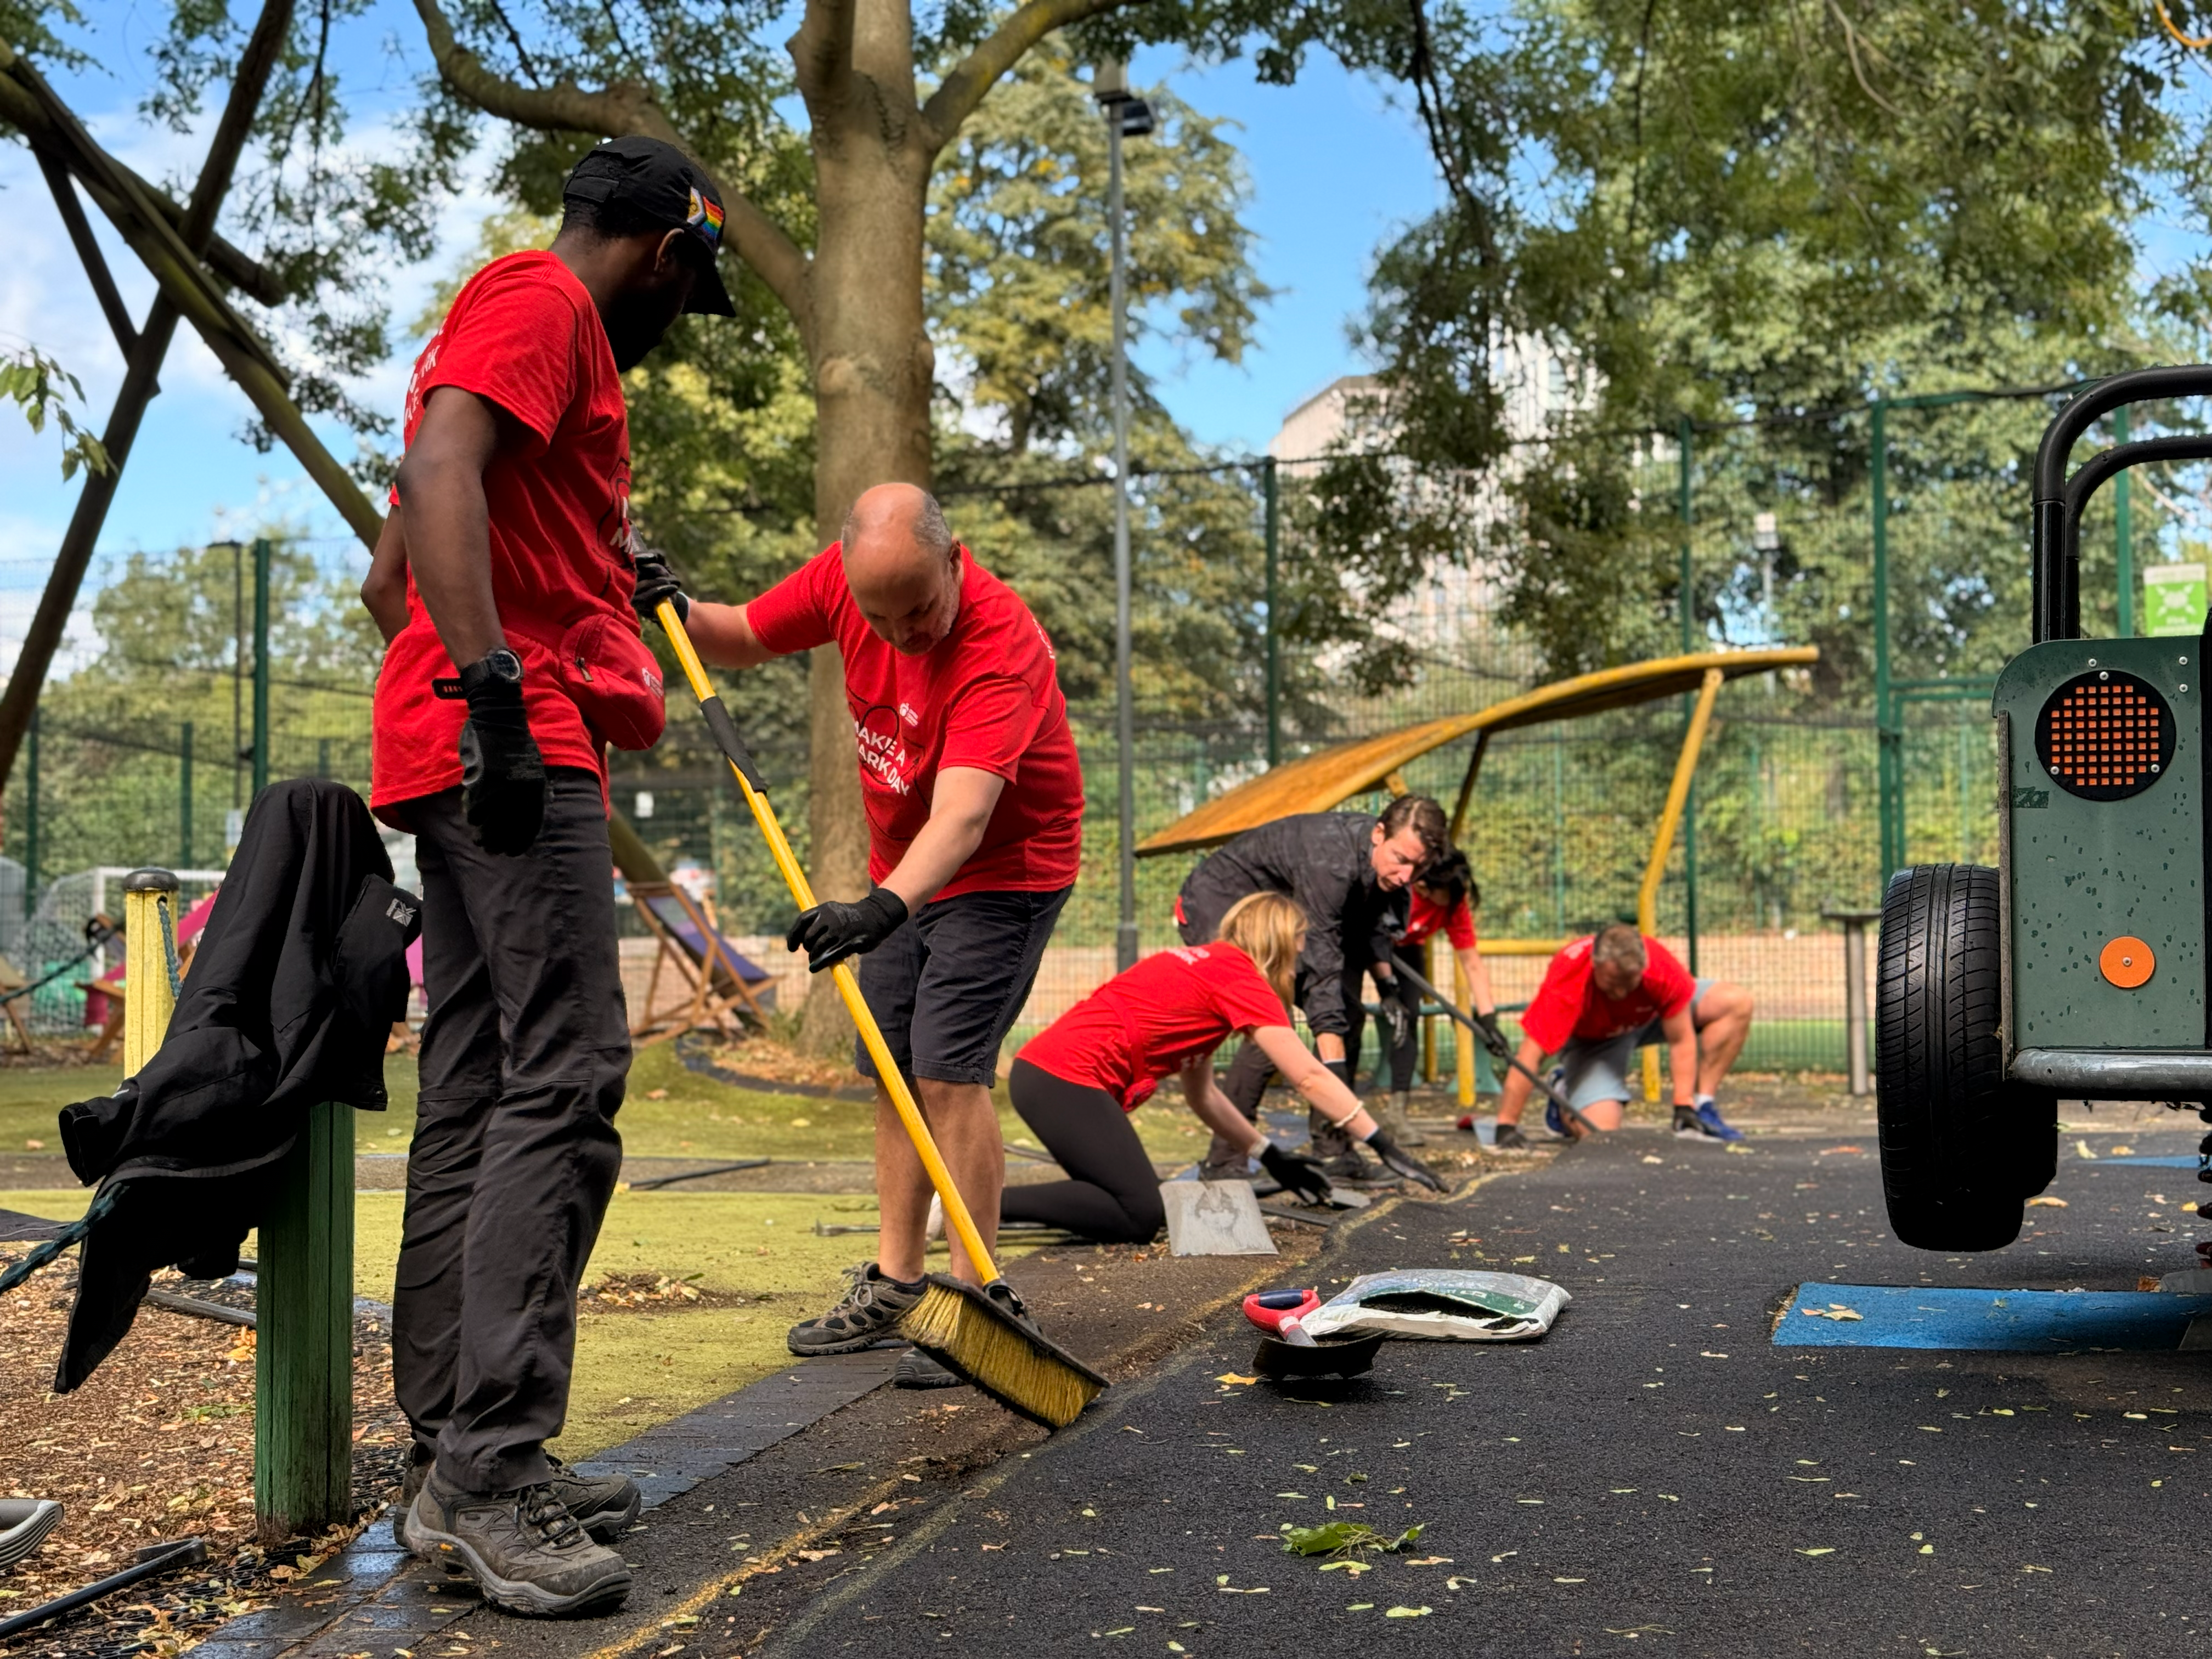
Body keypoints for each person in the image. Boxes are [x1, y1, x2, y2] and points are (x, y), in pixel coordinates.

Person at [370, 136, 736, 1617]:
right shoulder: (544, 306)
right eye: (685, 287)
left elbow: (389, 573)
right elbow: (440, 470)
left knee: (477, 1079)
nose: (671, 314)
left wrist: (583, 556)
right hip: (506, 742)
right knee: (569, 1075)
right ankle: (490, 1471)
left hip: (437, 735)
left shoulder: (504, 328)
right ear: (662, 252)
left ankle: (451, 1446)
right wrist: (506, 696)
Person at [634, 484, 1082, 1390]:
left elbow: (960, 817)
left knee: (947, 1069)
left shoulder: (1001, 646)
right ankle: (895, 1280)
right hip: (904, 867)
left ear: (955, 563)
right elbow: (737, 636)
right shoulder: (851, 586)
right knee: (890, 1064)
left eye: (918, 607)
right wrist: (672, 606)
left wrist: (880, 907)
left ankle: (977, 1299)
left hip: (1003, 869)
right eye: (878, 615)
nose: (899, 631)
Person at [1003, 893, 1444, 1241]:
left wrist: (1268, 1155)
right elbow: (1308, 1075)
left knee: (1125, 1205)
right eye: (1301, 939)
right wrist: (1381, 1142)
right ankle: (973, 1206)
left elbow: (1203, 1095)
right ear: (1279, 940)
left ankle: (975, 1209)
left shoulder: (1210, 967)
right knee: (1139, 1213)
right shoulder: (1242, 980)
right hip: (1066, 1078)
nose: (1304, 951)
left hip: (1047, 1074)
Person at [1172, 797, 1447, 1178]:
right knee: (1270, 1025)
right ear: (1379, 833)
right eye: (1401, 859)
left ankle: (1334, 1152)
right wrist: (1329, 1067)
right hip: (1220, 903)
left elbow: (1370, 926)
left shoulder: (1386, 862)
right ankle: (1225, 1160)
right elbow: (1322, 964)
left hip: (1284, 911)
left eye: (1418, 867)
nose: (1406, 876)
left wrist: (1388, 988)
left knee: (1350, 1014)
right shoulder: (1330, 859)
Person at [1491, 923, 1754, 1149]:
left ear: (1642, 967)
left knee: (1734, 1003)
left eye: (1629, 984)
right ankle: (1564, 1095)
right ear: (1595, 967)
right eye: (1612, 984)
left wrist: (1682, 1105)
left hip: (1649, 1020)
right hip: (1595, 1042)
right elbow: (1530, 1056)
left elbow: (1681, 1040)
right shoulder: (1569, 981)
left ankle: (1702, 1107)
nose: (1621, 994)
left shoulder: (1661, 969)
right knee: (1601, 1136)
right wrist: (1507, 1125)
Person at [1372, 848, 1501, 1148]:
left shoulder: (1453, 902)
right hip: (1366, 941)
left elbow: (1471, 962)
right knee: (1346, 1020)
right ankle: (1335, 1119)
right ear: (1422, 886)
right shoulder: (1401, 887)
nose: (1457, 900)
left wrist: (1489, 1019)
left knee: (1409, 1019)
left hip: (1407, 950)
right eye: (1449, 893)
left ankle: (1396, 1115)